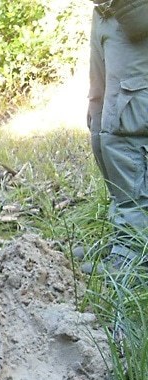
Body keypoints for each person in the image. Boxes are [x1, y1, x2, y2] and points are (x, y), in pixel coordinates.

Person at [88, 0, 148, 269]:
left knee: (126, 129)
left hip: (133, 12)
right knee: (100, 125)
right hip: (104, 12)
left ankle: (134, 253)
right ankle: (121, 236)